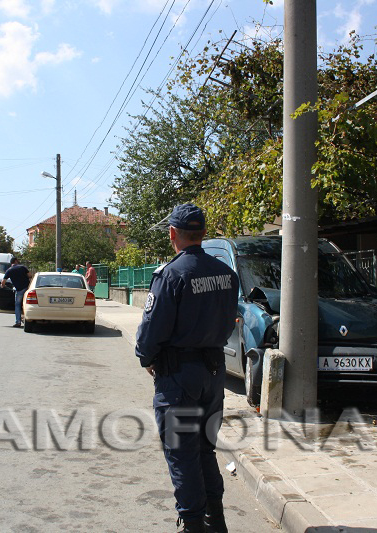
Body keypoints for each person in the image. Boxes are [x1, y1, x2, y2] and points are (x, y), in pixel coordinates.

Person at [135, 204, 239, 533]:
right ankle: (215, 521)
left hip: (179, 377)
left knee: (182, 454)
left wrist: (146, 357)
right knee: (204, 447)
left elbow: (151, 332)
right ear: (204, 234)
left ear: (173, 235)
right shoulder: (228, 275)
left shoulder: (172, 274)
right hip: (213, 374)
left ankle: (193, 525)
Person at [0, 257, 32, 328]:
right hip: (27, 289)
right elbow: (30, 275)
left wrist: (2, 286)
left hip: (19, 290)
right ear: (16, 261)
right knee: (27, 304)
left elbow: (3, 282)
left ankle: (18, 322)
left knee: (17, 305)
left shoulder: (9, 270)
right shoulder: (23, 267)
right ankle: (28, 319)